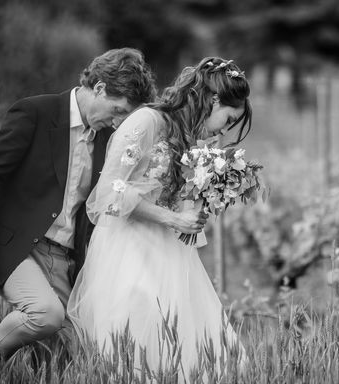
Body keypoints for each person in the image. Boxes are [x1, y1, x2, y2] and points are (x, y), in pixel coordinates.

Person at [0, 48, 183, 380]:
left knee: (77, 357)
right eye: (118, 111)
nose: (120, 122)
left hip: (67, 257)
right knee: (46, 314)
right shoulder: (35, 112)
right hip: (18, 248)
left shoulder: (112, 137)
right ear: (100, 88)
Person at [67, 57, 252, 379]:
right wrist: (173, 219)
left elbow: (175, 194)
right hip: (129, 246)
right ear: (213, 99)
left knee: (187, 339)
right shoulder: (147, 121)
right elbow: (111, 192)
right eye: (229, 118)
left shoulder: (193, 138)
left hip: (170, 250)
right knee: (139, 330)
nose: (226, 128)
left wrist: (200, 204)